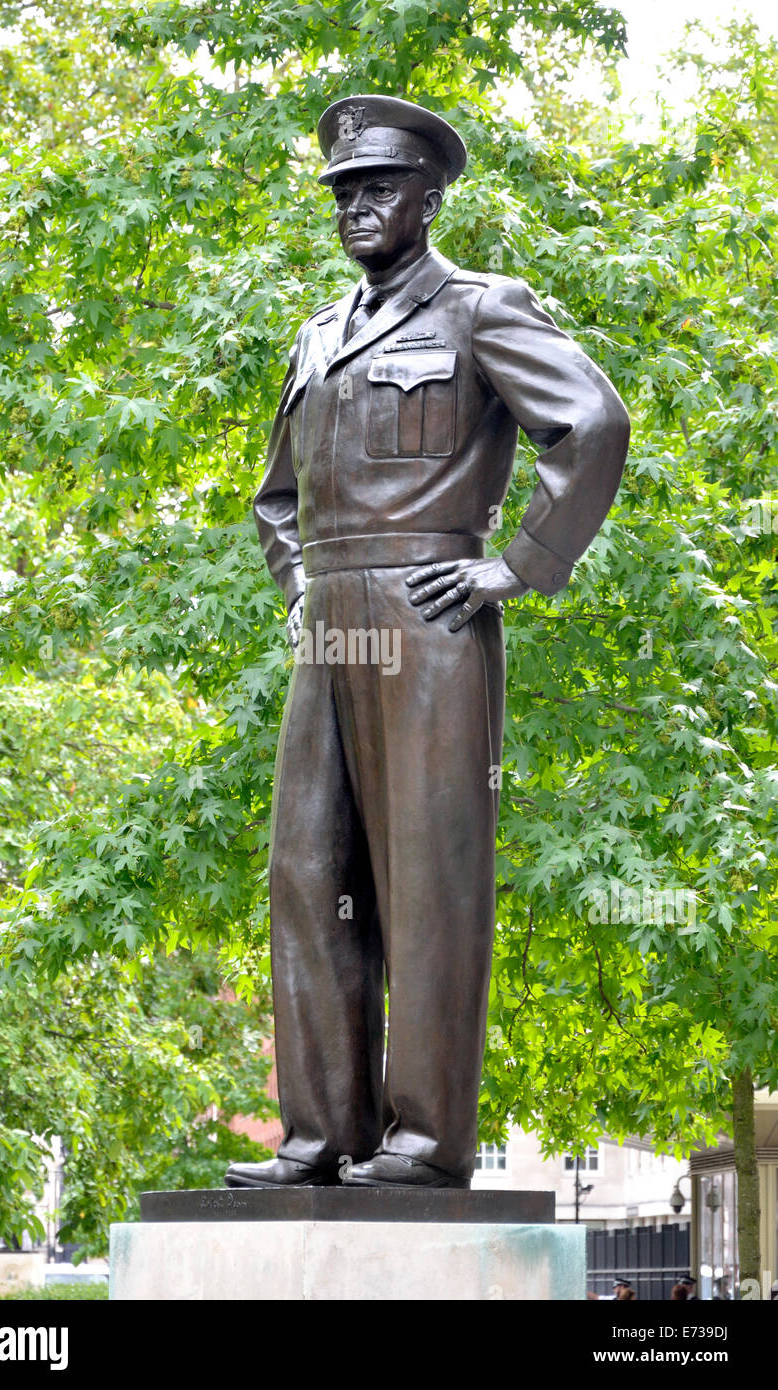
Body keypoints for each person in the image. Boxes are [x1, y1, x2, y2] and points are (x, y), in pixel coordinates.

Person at [226, 94, 629, 1190]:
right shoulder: (318, 334)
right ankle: (321, 1135)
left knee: (428, 877)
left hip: (431, 613)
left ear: (428, 197)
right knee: (309, 875)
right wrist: (304, 584)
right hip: (331, 629)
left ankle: (425, 1139)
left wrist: (519, 565)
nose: (358, 207)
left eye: (381, 188)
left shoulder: (482, 308)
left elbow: (590, 424)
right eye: (345, 192)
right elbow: (273, 499)